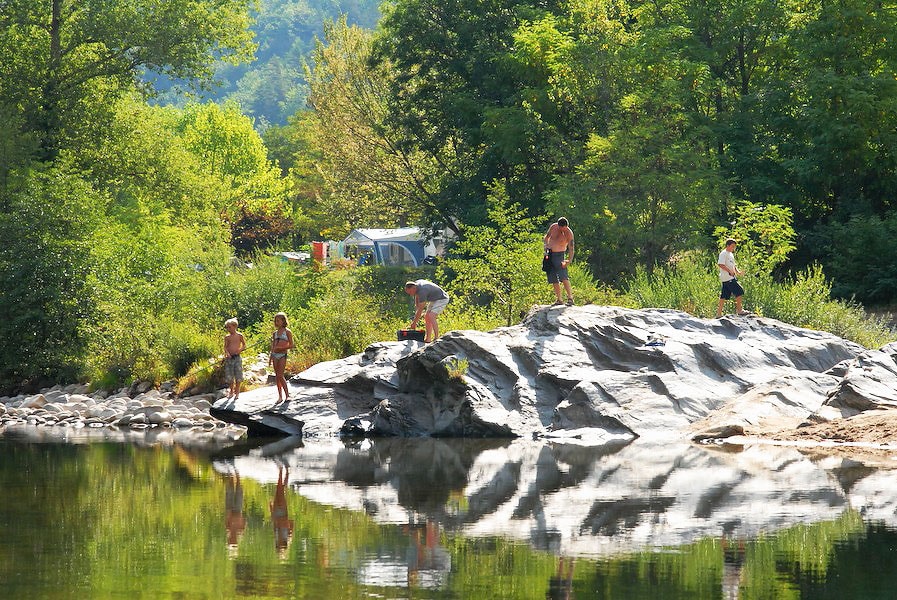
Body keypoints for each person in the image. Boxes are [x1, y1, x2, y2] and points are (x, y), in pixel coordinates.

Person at [544, 217, 575, 306]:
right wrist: (545, 248)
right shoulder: (553, 227)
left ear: (566, 226)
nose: (562, 230)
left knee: (564, 277)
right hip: (549, 254)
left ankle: (570, 298)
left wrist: (569, 260)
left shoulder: (569, 233)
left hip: (560, 255)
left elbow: (571, 248)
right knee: (553, 278)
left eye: (564, 228)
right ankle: (559, 299)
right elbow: (547, 237)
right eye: (561, 228)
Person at [716, 238, 748, 317]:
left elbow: (733, 265)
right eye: (732, 246)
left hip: (730, 278)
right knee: (739, 291)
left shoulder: (730, 254)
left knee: (723, 296)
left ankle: (718, 314)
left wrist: (738, 272)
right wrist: (729, 271)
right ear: (728, 245)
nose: (733, 248)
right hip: (727, 277)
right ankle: (739, 310)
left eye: (734, 247)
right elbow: (720, 264)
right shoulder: (723, 253)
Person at [270, 466, 294, 559]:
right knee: (281, 490)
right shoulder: (288, 537)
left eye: (279, 547)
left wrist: (271, 509)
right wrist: (284, 522)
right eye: (281, 546)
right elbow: (291, 522)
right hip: (283, 512)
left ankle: (282, 471)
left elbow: (274, 524)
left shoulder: (276, 536)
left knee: (279, 490)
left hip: (276, 512)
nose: (279, 544)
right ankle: (285, 471)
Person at [269, 312, 294, 403]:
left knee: (280, 375)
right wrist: (270, 357)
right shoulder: (275, 333)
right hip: (275, 355)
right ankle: (280, 396)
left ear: (283, 321)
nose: (276, 322)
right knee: (277, 376)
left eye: (278, 320)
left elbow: (291, 345)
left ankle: (287, 395)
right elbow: (273, 346)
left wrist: (281, 348)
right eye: (275, 321)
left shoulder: (287, 332)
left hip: (282, 355)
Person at [223, 318, 247, 401]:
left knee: (238, 375)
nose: (228, 329)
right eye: (227, 327)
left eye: (229, 327)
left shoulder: (240, 335)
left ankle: (237, 392)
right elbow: (225, 347)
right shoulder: (227, 337)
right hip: (229, 358)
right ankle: (231, 391)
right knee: (230, 375)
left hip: (237, 357)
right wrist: (227, 353)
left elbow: (244, 345)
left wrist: (240, 350)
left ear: (235, 326)